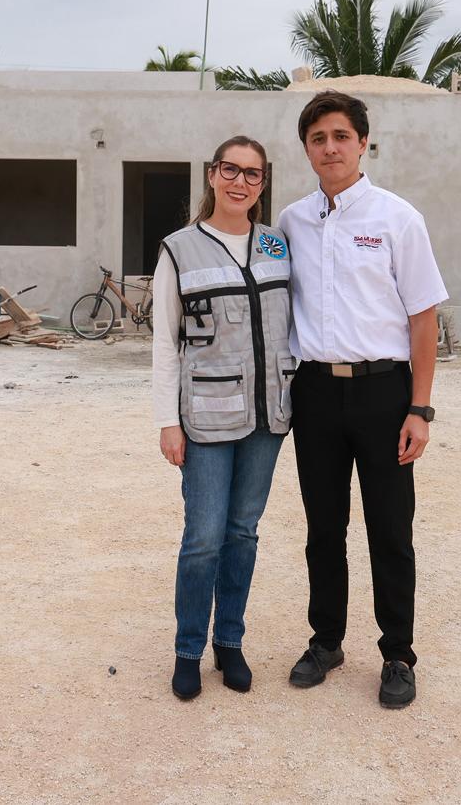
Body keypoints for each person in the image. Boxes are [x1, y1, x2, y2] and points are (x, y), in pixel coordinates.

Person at [279, 91, 447, 709]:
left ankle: (398, 653)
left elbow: (423, 318)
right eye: (319, 138)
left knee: (390, 530)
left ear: (363, 143)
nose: (330, 147)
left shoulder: (397, 218)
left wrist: (419, 409)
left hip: (384, 393)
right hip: (315, 393)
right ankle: (326, 641)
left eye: (341, 136)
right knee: (323, 528)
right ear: (306, 149)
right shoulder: (291, 223)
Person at [152, 136, 294, 700]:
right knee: (204, 538)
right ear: (212, 175)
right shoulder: (179, 249)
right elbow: (166, 343)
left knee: (243, 533)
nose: (240, 182)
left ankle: (228, 642)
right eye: (230, 170)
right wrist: (168, 420)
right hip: (205, 420)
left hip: (268, 418)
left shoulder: (278, 245)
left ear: (263, 184)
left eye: (253, 174)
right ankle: (189, 649)